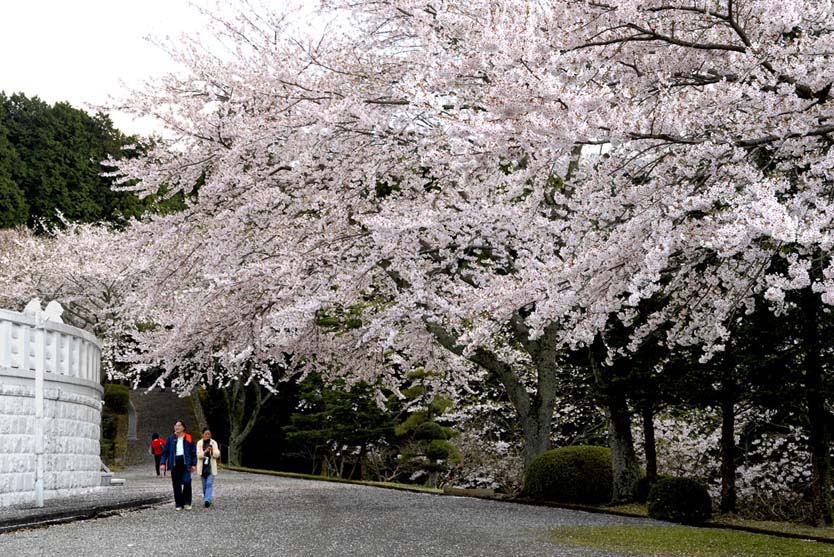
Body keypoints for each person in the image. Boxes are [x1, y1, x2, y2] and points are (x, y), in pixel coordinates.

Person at [159, 420, 197, 510]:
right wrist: (162, 463)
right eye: (175, 425)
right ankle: (179, 504)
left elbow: (193, 452)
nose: (177, 427)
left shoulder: (188, 437)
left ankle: (187, 502)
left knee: (187, 482)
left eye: (179, 425)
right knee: (176, 485)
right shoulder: (170, 438)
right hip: (175, 464)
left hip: (186, 464)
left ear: (183, 427)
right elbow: (165, 452)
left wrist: (193, 464)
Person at [196, 427, 220, 508]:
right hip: (202, 468)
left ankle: (207, 500)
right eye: (206, 434)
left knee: (209, 484)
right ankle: (207, 498)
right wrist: (206, 451)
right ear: (203, 434)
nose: (207, 435)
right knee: (204, 486)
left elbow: (217, 454)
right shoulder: (199, 443)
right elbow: (198, 455)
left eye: (209, 434)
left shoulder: (214, 443)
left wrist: (212, 451)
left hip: (211, 468)